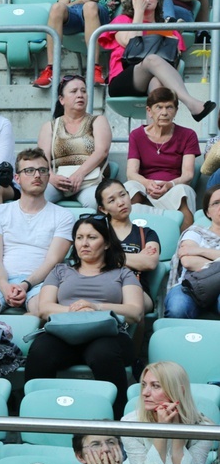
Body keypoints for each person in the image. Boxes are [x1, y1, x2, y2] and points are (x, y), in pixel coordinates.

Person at [24, 215, 144, 418]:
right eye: (79, 237)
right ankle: (37, 416)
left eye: (91, 237)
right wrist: (78, 309)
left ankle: (116, 421)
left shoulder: (123, 273)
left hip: (108, 335)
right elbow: (44, 308)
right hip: (64, 333)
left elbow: (135, 311)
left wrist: (96, 307)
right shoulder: (60, 271)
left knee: (103, 353)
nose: (84, 243)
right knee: (40, 351)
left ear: (106, 243)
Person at [0, 148, 74, 315]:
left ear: (48, 176)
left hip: (42, 284)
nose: (37, 175)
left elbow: (53, 260)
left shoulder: (63, 216)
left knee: (45, 313)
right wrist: (5, 287)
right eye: (29, 171)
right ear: (17, 178)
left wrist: (25, 284)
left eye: (43, 170)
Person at [98, 0, 216, 121]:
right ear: (132, 1)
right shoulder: (123, 21)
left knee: (157, 83)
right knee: (152, 59)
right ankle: (191, 103)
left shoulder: (168, 28)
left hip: (156, 80)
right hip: (123, 80)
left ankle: (153, 134)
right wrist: (139, 13)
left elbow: (173, 59)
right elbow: (130, 42)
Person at [121, 361, 213, 464]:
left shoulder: (203, 429)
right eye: (144, 385)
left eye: (156, 386)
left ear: (178, 391)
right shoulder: (130, 423)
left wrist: (178, 439)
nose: (145, 393)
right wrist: (161, 433)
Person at [123, 87, 199, 232]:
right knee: (129, 188)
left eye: (169, 107)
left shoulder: (188, 135)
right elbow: (131, 173)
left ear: (176, 111)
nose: (164, 112)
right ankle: (125, 239)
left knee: (184, 191)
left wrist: (170, 184)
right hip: (145, 185)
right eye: (159, 107)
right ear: (149, 111)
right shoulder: (136, 135)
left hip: (173, 186)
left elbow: (188, 175)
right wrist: (147, 183)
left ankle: (184, 242)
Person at [32, 0, 127, 88]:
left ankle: (94, 68)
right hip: (74, 13)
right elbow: (63, 4)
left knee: (90, 6)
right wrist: (81, 0)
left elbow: (127, 3)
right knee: (56, 7)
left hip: (100, 14)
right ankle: (51, 69)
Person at [37, 75, 111, 209]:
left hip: (89, 181)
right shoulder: (50, 126)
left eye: (83, 91)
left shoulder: (98, 121)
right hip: (57, 181)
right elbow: (43, 158)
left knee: (94, 202)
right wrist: (51, 177)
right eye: (74, 91)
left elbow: (102, 151)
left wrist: (79, 174)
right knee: (36, 197)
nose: (80, 95)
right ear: (61, 99)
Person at [96, 178, 161, 314]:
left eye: (123, 195)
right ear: (103, 209)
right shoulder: (97, 233)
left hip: (137, 290)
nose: (121, 202)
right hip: (99, 286)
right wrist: (136, 259)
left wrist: (106, 257)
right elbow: (88, 260)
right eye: (112, 200)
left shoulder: (147, 233)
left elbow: (149, 262)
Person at [165, 184, 220, 319]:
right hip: (190, 285)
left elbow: (193, 256)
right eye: (216, 203)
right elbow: (188, 261)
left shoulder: (196, 244)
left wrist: (199, 250)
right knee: (178, 308)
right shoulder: (195, 232)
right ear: (207, 212)